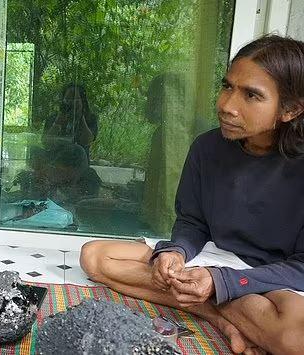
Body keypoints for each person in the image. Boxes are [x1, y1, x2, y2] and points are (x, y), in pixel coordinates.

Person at [80, 35, 304, 355]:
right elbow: (192, 222)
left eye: (251, 95)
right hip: (213, 259)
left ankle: (214, 302)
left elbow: (301, 268)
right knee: (94, 257)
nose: (226, 106)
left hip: (273, 278)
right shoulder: (207, 147)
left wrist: (222, 283)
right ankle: (223, 319)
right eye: (227, 86)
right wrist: (177, 253)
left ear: (291, 109)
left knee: (294, 339)